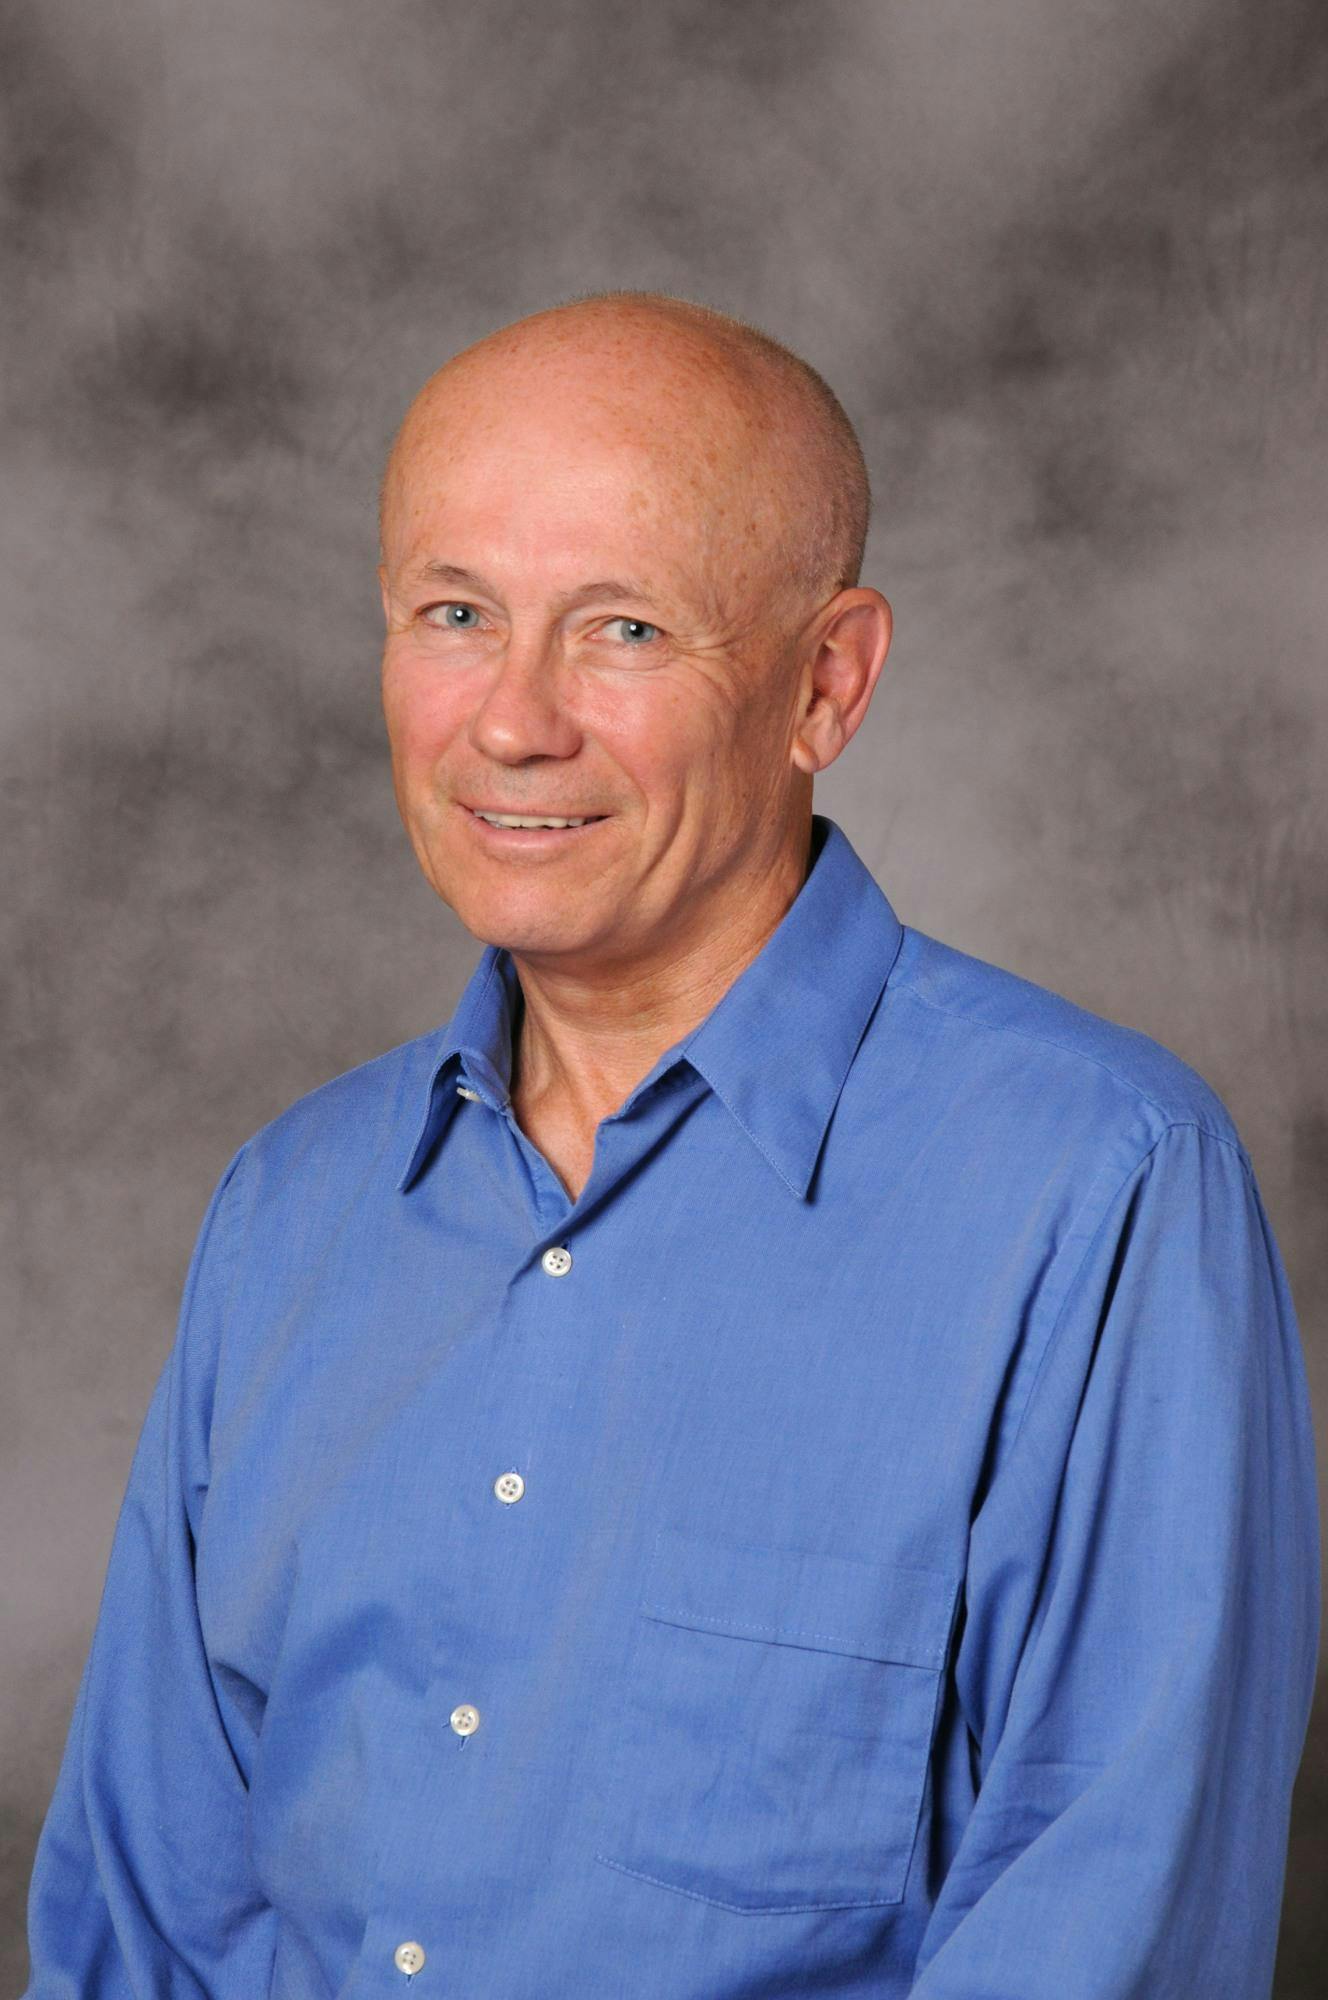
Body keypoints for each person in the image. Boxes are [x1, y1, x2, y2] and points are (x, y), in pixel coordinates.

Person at [21, 288, 1319, 1998]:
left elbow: (1104, 1922)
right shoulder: (290, 1209)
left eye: (624, 629)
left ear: (825, 682)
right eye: (455, 610)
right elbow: (151, 1922)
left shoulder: (1097, 1189)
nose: (513, 720)